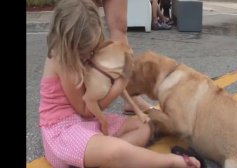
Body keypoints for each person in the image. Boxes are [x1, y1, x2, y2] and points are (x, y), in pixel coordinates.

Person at [40, 0, 201, 167]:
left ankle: (103, 156)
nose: (89, 56)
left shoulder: (74, 51)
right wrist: (120, 83)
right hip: (64, 130)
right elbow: (86, 110)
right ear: (69, 44)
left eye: (92, 50)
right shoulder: (63, 61)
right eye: (85, 52)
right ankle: (171, 162)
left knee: (144, 126)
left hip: (86, 124)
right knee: (115, 151)